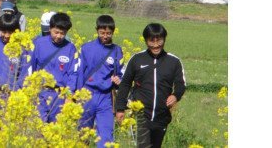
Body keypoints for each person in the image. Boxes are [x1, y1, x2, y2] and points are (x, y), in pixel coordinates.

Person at [115, 23, 186, 148]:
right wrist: (120, 108)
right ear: (146, 41)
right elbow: (125, 84)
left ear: (164, 39)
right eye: (151, 41)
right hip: (140, 116)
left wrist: (175, 96)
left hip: (162, 116)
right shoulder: (137, 59)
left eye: (159, 40)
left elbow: (181, 84)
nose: (155, 45)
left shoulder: (174, 61)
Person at [76, 15, 124, 148]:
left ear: (113, 32)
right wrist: (77, 96)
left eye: (108, 33)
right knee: (82, 135)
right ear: (96, 30)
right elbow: (79, 73)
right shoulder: (86, 48)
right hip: (87, 94)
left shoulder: (117, 51)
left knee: (106, 136)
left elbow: (120, 73)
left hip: (105, 98)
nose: (105, 36)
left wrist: (118, 79)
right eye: (102, 33)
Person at [24, 12, 77, 122]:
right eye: (56, 32)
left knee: (56, 132)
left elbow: (73, 74)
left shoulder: (70, 48)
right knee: (38, 128)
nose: (58, 36)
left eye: (62, 33)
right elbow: (29, 67)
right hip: (40, 93)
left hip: (59, 96)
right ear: (50, 28)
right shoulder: (38, 43)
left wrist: (69, 96)